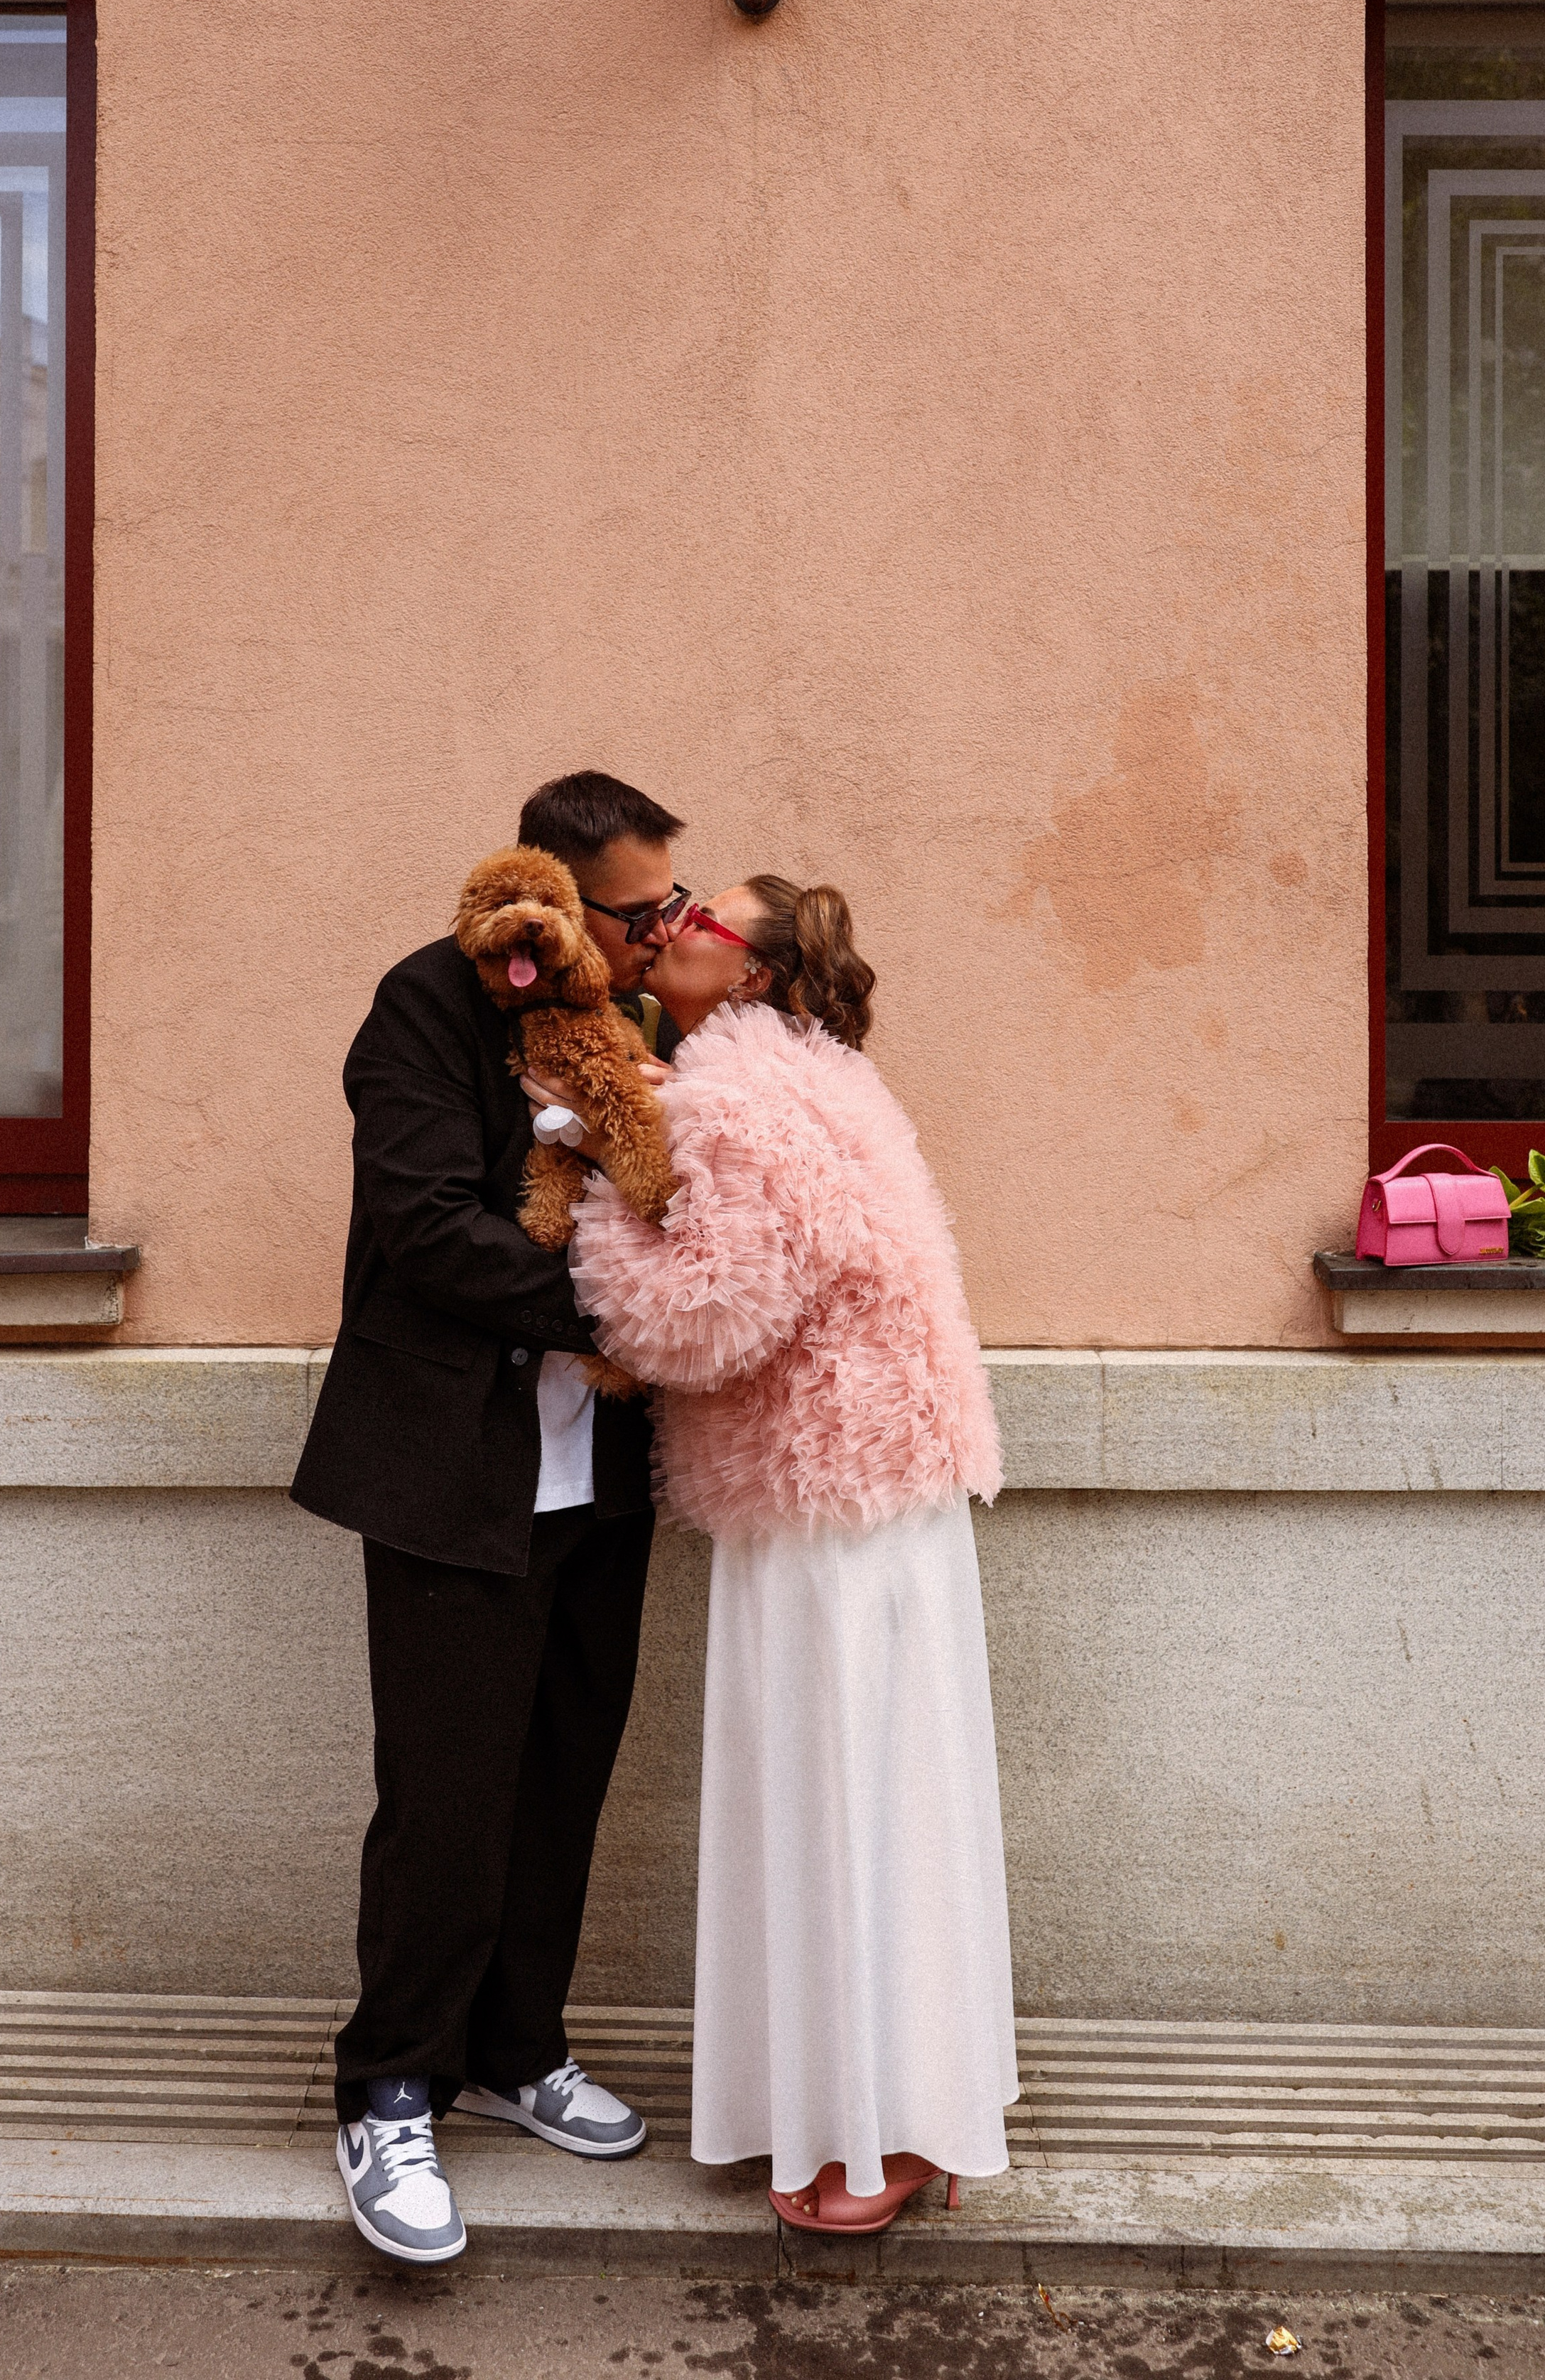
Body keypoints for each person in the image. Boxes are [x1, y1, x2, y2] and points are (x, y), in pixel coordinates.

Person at [522, 876, 1018, 2232]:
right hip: (874, 1486)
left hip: (826, 1502)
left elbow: (702, 1316)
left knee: (837, 1808)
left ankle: (874, 2132)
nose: (666, 925)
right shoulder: (816, 1075)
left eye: (701, 919)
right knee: (892, 1806)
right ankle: (902, 2107)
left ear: (751, 975)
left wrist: (597, 1190)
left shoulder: (735, 1092)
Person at [291, 770, 690, 2265]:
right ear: (553, 891)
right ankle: (391, 2085)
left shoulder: (641, 1020)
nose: (659, 935)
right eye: (639, 911)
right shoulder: (423, 1005)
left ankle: (519, 2050)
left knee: (562, 1775)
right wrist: (628, 1301)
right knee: (447, 1796)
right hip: (453, 1470)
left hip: (603, 1474)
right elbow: (423, 1225)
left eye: (670, 907)